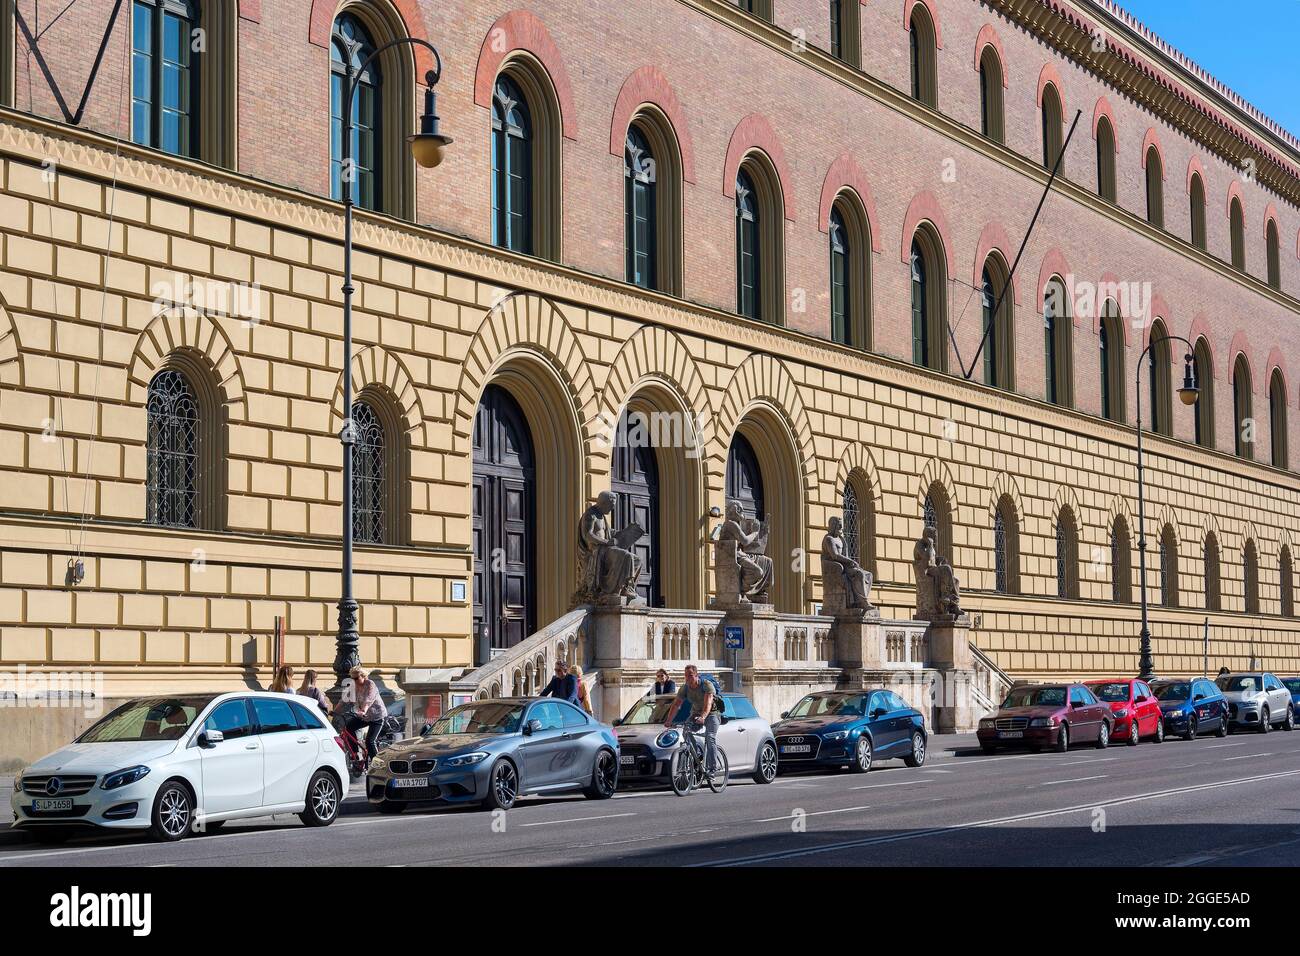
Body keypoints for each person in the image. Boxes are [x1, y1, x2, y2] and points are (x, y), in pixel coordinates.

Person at [665, 664, 719, 777]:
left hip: (712, 714)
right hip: (695, 714)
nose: (688, 679)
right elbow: (676, 704)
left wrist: (703, 717)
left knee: (710, 737)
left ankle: (712, 768)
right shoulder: (685, 688)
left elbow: (708, 703)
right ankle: (696, 756)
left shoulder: (706, 685)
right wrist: (669, 721)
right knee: (686, 731)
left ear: (696, 675)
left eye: (690, 676)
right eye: (686, 676)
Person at [346, 666, 386, 763]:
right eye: (352, 678)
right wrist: (336, 711)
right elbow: (344, 699)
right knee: (348, 728)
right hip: (364, 716)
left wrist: (363, 710)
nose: (354, 681)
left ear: (363, 676)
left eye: (356, 678)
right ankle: (356, 754)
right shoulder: (354, 686)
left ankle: (376, 765)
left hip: (377, 716)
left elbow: (369, 699)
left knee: (370, 741)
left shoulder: (370, 684)